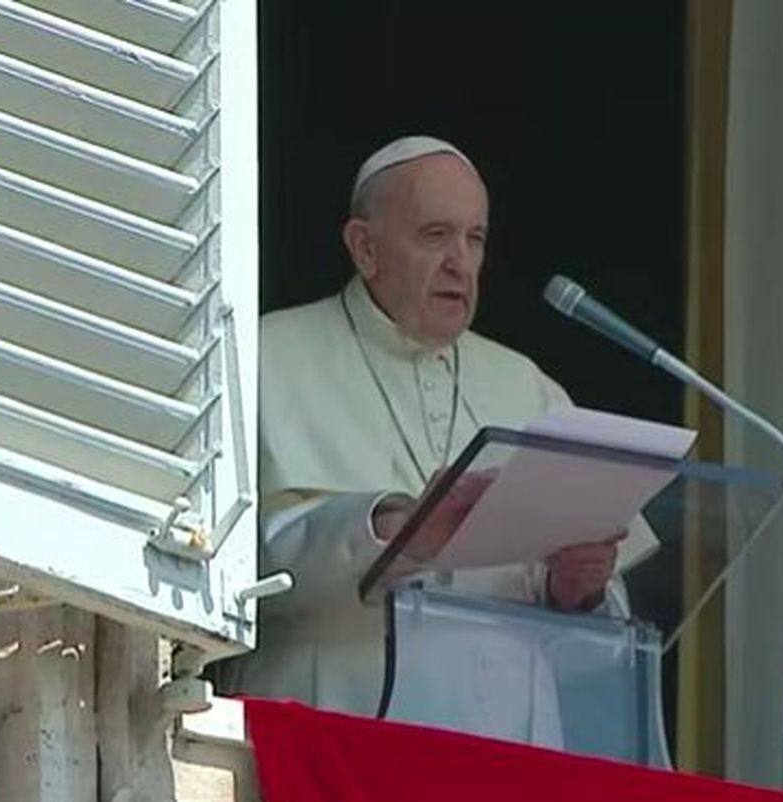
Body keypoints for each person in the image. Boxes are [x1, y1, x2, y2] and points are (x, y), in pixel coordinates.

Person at [217, 136, 656, 741]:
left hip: (505, 751)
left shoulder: (528, 387)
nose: (461, 262)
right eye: (435, 235)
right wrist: (395, 531)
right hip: (335, 732)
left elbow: (603, 654)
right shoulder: (268, 357)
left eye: (475, 239)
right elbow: (230, 579)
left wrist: (578, 593)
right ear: (364, 247)